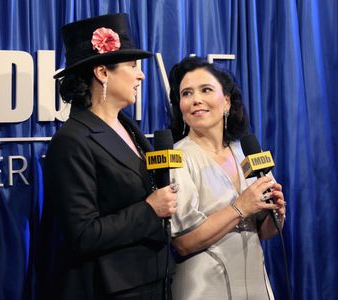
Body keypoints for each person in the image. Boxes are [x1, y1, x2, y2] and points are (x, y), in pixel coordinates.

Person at [43, 14, 177, 299]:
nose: (141, 74)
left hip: (155, 280)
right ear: (102, 73)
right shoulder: (71, 141)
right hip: (109, 288)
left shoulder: (128, 125)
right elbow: (82, 234)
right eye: (132, 66)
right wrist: (149, 209)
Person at [168, 57, 286, 300]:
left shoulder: (247, 152)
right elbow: (184, 242)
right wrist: (240, 207)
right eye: (187, 93)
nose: (196, 99)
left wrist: (277, 215)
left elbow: (264, 233)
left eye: (206, 90)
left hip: (255, 286)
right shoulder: (177, 157)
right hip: (203, 289)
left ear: (227, 102)